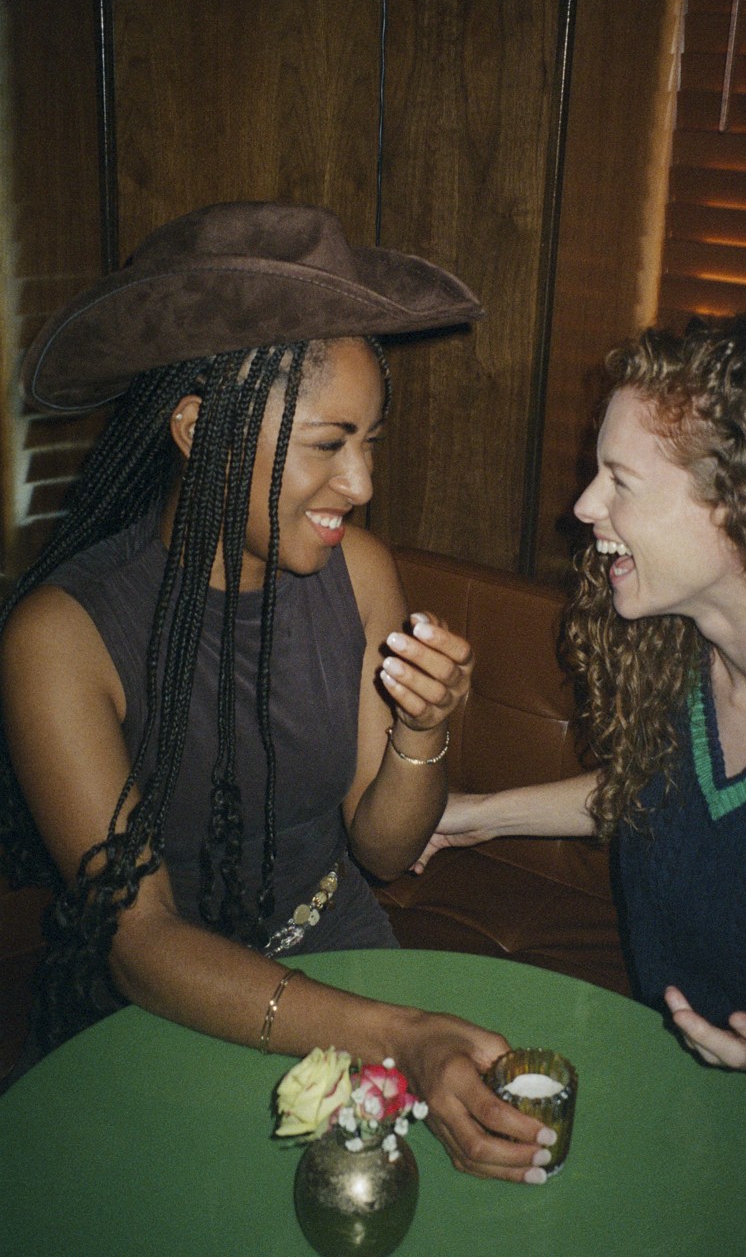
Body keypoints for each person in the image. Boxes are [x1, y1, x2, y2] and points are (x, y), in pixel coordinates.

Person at [0, 201, 557, 1184]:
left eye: (370, 440)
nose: (362, 481)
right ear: (198, 430)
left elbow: (382, 851)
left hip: (341, 945)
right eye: (328, 443)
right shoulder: (63, 636)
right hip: (165, 1000)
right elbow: (142, 942)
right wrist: (398, 1033)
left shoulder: (361, 573)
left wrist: (422, 731)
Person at [417, 313, 746, 1252]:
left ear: (744, 509)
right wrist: (477, 816)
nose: (583, 505)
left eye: (619, 481)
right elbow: (662, 794)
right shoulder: (678, 647)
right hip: (686, 1106)